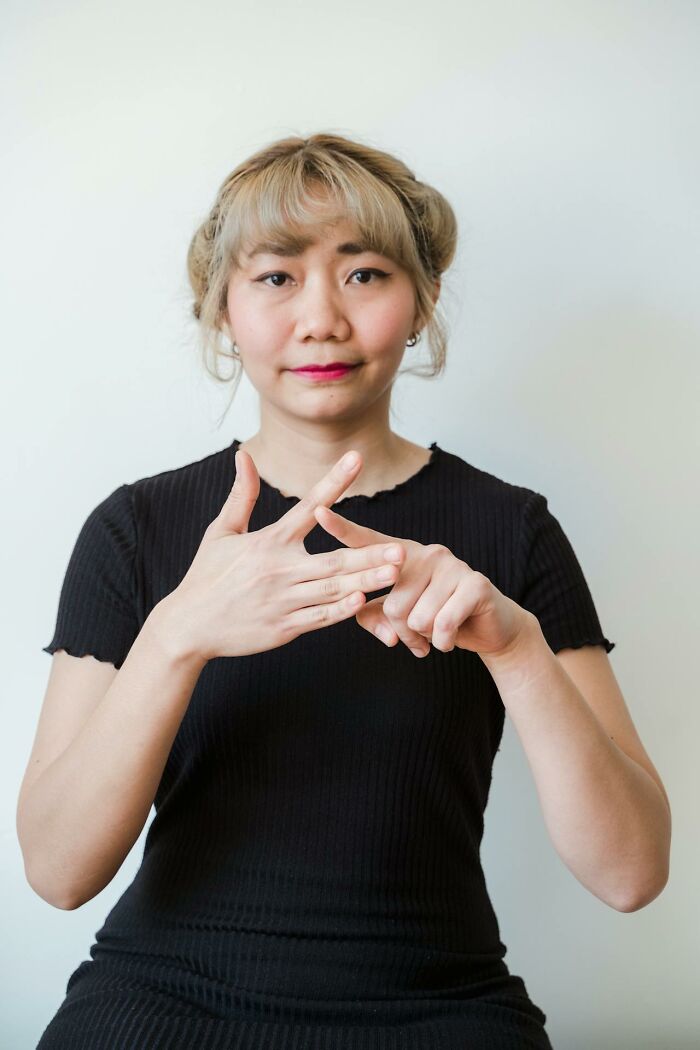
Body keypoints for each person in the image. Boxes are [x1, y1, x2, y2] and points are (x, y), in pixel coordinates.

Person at [21, 131, 665, 1049]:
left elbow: (631, 874)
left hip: (440, 1008)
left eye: (363, 273)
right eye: (276, 278)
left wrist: (516, 647)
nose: (320, 318)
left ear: (423, 299)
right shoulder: (136, 530)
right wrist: (177, 635)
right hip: (160, 1001)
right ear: (222, 308)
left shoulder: (513, 531)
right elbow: (58, 870)